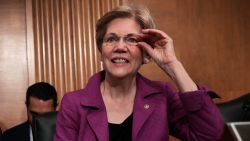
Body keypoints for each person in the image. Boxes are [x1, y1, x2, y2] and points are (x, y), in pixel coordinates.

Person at [54, 4, 224, 141]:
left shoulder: (163, 96)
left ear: (146, 55)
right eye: (111, 39)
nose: (120, 47)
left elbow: (209, 135)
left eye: (132, 39)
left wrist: (173, 66)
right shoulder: (73, 103)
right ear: (101, 52)